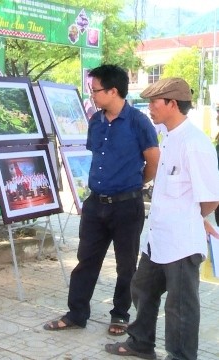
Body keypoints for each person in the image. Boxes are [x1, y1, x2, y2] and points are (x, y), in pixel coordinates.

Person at [105, 78, 219, 360]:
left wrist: (195, 217)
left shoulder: (194, 143)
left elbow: (211, 197)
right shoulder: (168, 138)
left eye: (155, 103)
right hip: (158, 237)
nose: (150, 109)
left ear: (172, 104)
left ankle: (180, 355)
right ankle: (141, 343)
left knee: (180, 306)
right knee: (142, 287)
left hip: (181, 241)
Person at [44, 64, 160, 335]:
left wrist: (136, 181)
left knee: (126, 264)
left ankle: (120, 314)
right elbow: (96, 158)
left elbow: (153, 160)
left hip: (127, 205)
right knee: (86, 260)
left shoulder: (138, 122)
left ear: (113, 91)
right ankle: (76, 313)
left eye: (95, 90)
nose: (92, 95)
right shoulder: (95, 121)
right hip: (96, 204)